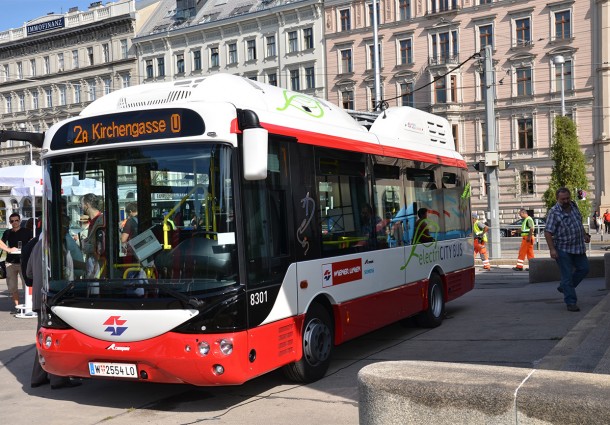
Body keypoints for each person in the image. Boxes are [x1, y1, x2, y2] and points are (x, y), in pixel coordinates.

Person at [28, 238, 82, 389]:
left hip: (40, 298)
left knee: (43, 338)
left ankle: (38, 377)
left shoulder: (37, 246)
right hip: (54, 297)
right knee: (56, 337)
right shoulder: (56, 243)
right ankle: (58, 379)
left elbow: (29, 272)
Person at [544, 187, 591, 312]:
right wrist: (552, 250)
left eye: (567, 198)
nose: (565, 201)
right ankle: (571, 302)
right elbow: (548, 232)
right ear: (557, 199)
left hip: (578, 247)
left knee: (584, 268)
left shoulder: (574, 206)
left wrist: (585, 234)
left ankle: (565, 287)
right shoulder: (554, 212)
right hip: (563, 248)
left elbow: (578, 223)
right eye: (562, 199)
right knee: (567, 276)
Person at [0, 213, 33, 314]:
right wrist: (8, 249)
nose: (14, 223)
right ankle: (17, 306)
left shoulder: (27, 231)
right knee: (12, 287)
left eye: (16, 220)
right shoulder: (7, 232)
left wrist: (26, 250)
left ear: (20, 220)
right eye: (12, 221)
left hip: (24, 262)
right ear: (10, 222)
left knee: (26, 285)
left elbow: (32, 242)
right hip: (10, 262)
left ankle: (29, 306)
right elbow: (1, 242)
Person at [81, 193, 105, 279]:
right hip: (92, 265)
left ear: (87, 205)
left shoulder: (101, 220)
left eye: (82, 204)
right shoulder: (92, 221)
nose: (81, 207)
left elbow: (102, 245)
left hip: (99, 264)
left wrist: (87, 246)